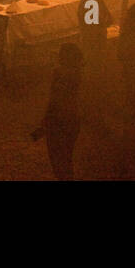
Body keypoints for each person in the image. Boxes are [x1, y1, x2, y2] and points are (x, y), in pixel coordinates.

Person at [33, 42, 83, 180]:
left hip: (58, 121)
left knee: (57, 159)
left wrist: (45, 122)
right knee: (66, 158)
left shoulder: (60, 73)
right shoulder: (79, 74)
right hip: (73, 121)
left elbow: (55, 100)